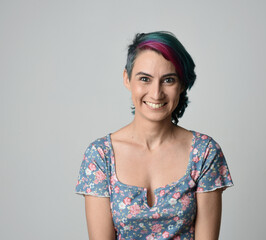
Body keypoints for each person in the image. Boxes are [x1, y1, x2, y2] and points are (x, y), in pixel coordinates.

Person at [75, 31, 233, 240]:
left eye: (168, 80)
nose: (156, 93)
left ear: (182, 85)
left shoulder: (204, 153)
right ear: (127, 78)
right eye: (145, 79)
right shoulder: (100, 156)